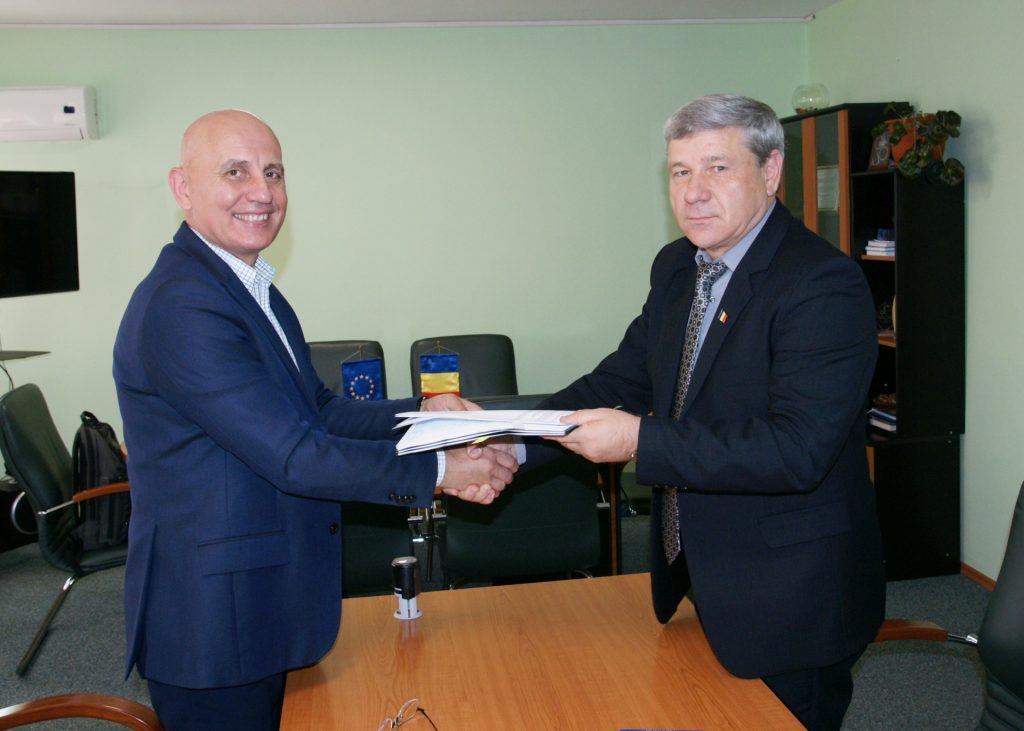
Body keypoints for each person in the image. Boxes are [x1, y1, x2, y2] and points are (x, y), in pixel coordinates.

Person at [112, 109, 517, 730]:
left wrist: (423, 413)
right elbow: (294, 455)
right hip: (214, 623)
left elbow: (319, 411)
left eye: (273, 173)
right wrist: (442, 469)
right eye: (235, 172)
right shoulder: (183, 305)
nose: (262, 192)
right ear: (182, 187)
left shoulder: (252, 289)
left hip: (260, 600)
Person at [542, 94, 885, 730]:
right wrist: (504, 434)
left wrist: (640, 441)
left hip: (794, 596)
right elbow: (623, 378)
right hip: (705, 574)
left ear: (771, 171)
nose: (694, 192)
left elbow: (797, 449)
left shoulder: (821, 283)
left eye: (717, 168)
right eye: (680, 171)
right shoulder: (678, 266)